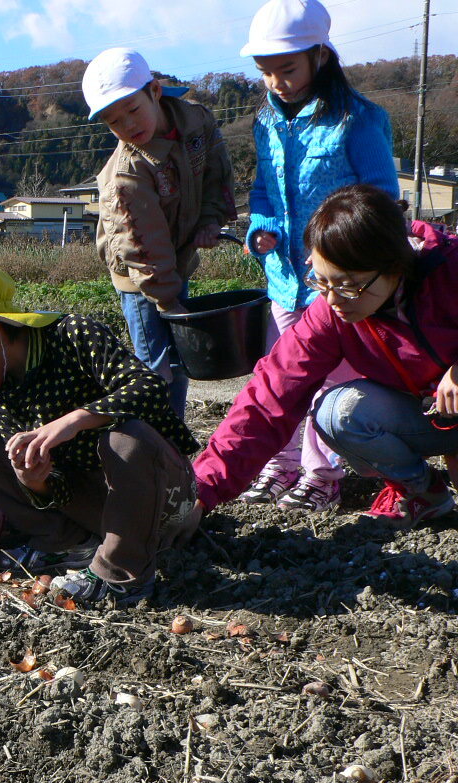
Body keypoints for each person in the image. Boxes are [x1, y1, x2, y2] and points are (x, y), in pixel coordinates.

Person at [0, 262, 200, 606]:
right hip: (100, 507)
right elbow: (54, 488)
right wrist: (35, 482)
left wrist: (75, 420)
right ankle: (74, 549)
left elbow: (150, 388)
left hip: (161, 497)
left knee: (125, 438)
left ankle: (121, 575)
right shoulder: (0, 400)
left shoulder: (73, 336)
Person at [196, 184, 458, 530]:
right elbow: (269, 398)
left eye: (348, 285)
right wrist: (201, 491)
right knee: (339, 412)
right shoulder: (331, 313)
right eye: (321, 282)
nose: (334, 300)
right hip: (430, 415)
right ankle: (424, 493)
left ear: (395, 267)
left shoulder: (450, 269)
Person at [236, 0, 398, 513]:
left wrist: (355, 261)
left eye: (287, 68)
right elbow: (263, 191)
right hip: (284, 277)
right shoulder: (266, 123)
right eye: (266, 73)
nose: (277, 82)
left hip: (337, 283)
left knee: (332, 379)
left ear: (320, 57)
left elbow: (380, 199)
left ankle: (322, 475)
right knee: (279, 375)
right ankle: (278, 465)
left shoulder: (359, 120)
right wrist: (260, 227)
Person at [85, 47, 236, 418]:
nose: (128, 125)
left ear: (154, 91)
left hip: (176, 259)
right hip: (140, 276)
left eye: (133, 110)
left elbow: (218, 175)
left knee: (180, 360)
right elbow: (141, 244)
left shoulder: (196, 123)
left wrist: (210, 221)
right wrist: (168, 301)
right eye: (113, 121)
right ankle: (152, 445)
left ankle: (174, 435)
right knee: (156, 367)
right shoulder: (126, 174)